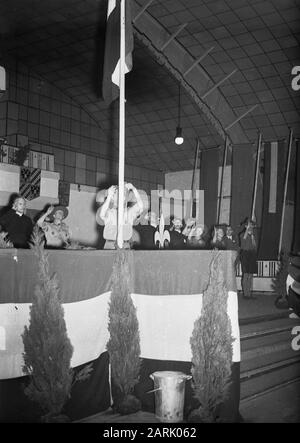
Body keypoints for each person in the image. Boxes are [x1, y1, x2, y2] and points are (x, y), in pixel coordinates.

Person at [96, 183, 143, 249]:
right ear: (113, 197)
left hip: (125, 246)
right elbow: (102, 214)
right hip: (110, 246)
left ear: (124, 198)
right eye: (117, 194)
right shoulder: (110, 212)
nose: (120, 196)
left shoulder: (129, 212)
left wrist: (134, 189)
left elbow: (141, 207)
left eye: (122, 194)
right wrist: (109, 196)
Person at [239, 218, 258, 300]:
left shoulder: (253, 235)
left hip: (252, 255)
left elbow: (254, 246)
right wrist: (247, 230)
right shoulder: (242, 234)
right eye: (249, 225)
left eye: (252, 226)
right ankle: (245, 294)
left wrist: (252, 236)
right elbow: (243, 239)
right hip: (245, 255)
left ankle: (249, 294)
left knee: (250, 275)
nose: (251, 227)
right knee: (246, 275)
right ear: (246, 226)